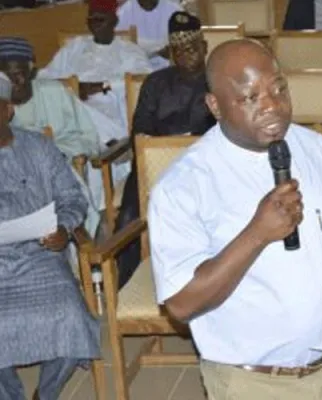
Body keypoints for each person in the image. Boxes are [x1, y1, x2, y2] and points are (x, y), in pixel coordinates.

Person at [148, 39, 322, 400]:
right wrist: (257, 234)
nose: (271, 105)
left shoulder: (319, 150)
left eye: (279, 89)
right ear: (215, 105)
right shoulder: (184, 185)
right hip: (253, 382)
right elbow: (180, 303)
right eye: (250, 97)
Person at [0, 73, 100, 400]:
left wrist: (64, 229)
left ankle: (46, 393)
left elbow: (72, 197)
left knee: (71, 316)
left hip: (39, 257)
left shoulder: (39, 147)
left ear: (8, 111)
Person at [115, 11, 216, 289]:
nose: (185, 56)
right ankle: (128, 286)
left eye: (191, 48)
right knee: (128, 218)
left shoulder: (218, 80)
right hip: (154, 168)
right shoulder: (155, 83)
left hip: (205, 167)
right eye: (178, 51)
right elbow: (140, 131)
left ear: (204, 47)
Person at [0, 36, 105, 236]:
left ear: (31, 69)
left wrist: (54, 152)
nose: (15, 83)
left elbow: (89, 138)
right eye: (7, 76)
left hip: (60, 175)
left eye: (20, 74)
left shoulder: (54, 91)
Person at [37, 0, 153, 142]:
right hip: (73, 102)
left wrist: (103, 86)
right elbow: (45, 76)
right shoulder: (74, 47)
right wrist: (72, 87)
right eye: (91, 20)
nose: (94, 24)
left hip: (110, 108)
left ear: (114, 20)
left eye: (100, 19)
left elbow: (145, 78)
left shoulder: (129, 50)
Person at [116, 0, 183, 70]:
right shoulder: (124, 13)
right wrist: (157, 50)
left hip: (170, 69)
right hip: (136, 69)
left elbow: (182, 45)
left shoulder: (175, 10)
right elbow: (120, 48)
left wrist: (173, 52)